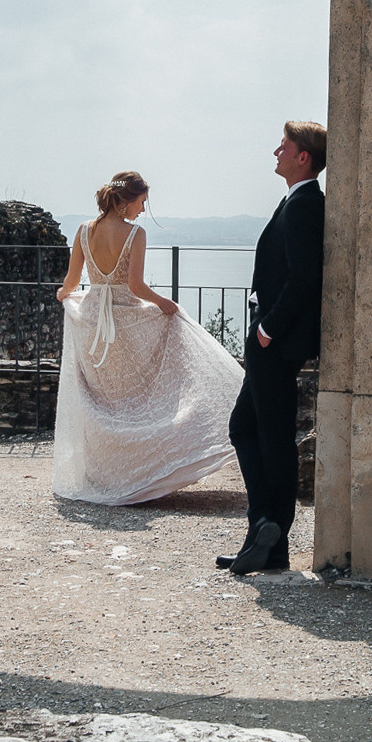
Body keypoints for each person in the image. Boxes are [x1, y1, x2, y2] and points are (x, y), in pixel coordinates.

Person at [52, 171, 244, 504]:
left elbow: (71, 282)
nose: (142, 211)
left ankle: (105, 476)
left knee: (103, 399)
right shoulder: (135, 234)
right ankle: (141, 473)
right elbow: (136, 287)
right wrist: (165, 304)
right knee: (133, 400)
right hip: (125, 321)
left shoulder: (83, 231)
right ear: (126, 200)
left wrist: (63, 295)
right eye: (141, 203)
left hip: (92, 320)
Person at [221, 122, 325, 575]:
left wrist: (268, 329)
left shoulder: (305, 204)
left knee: (264, 435)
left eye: (284, 146)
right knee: (254, 430)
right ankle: (266, 540)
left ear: (304, 156)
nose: (276, 152)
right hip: (272, 340)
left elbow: (306, 278)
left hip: (275, 342)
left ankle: (266, 528)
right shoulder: (296, 200)